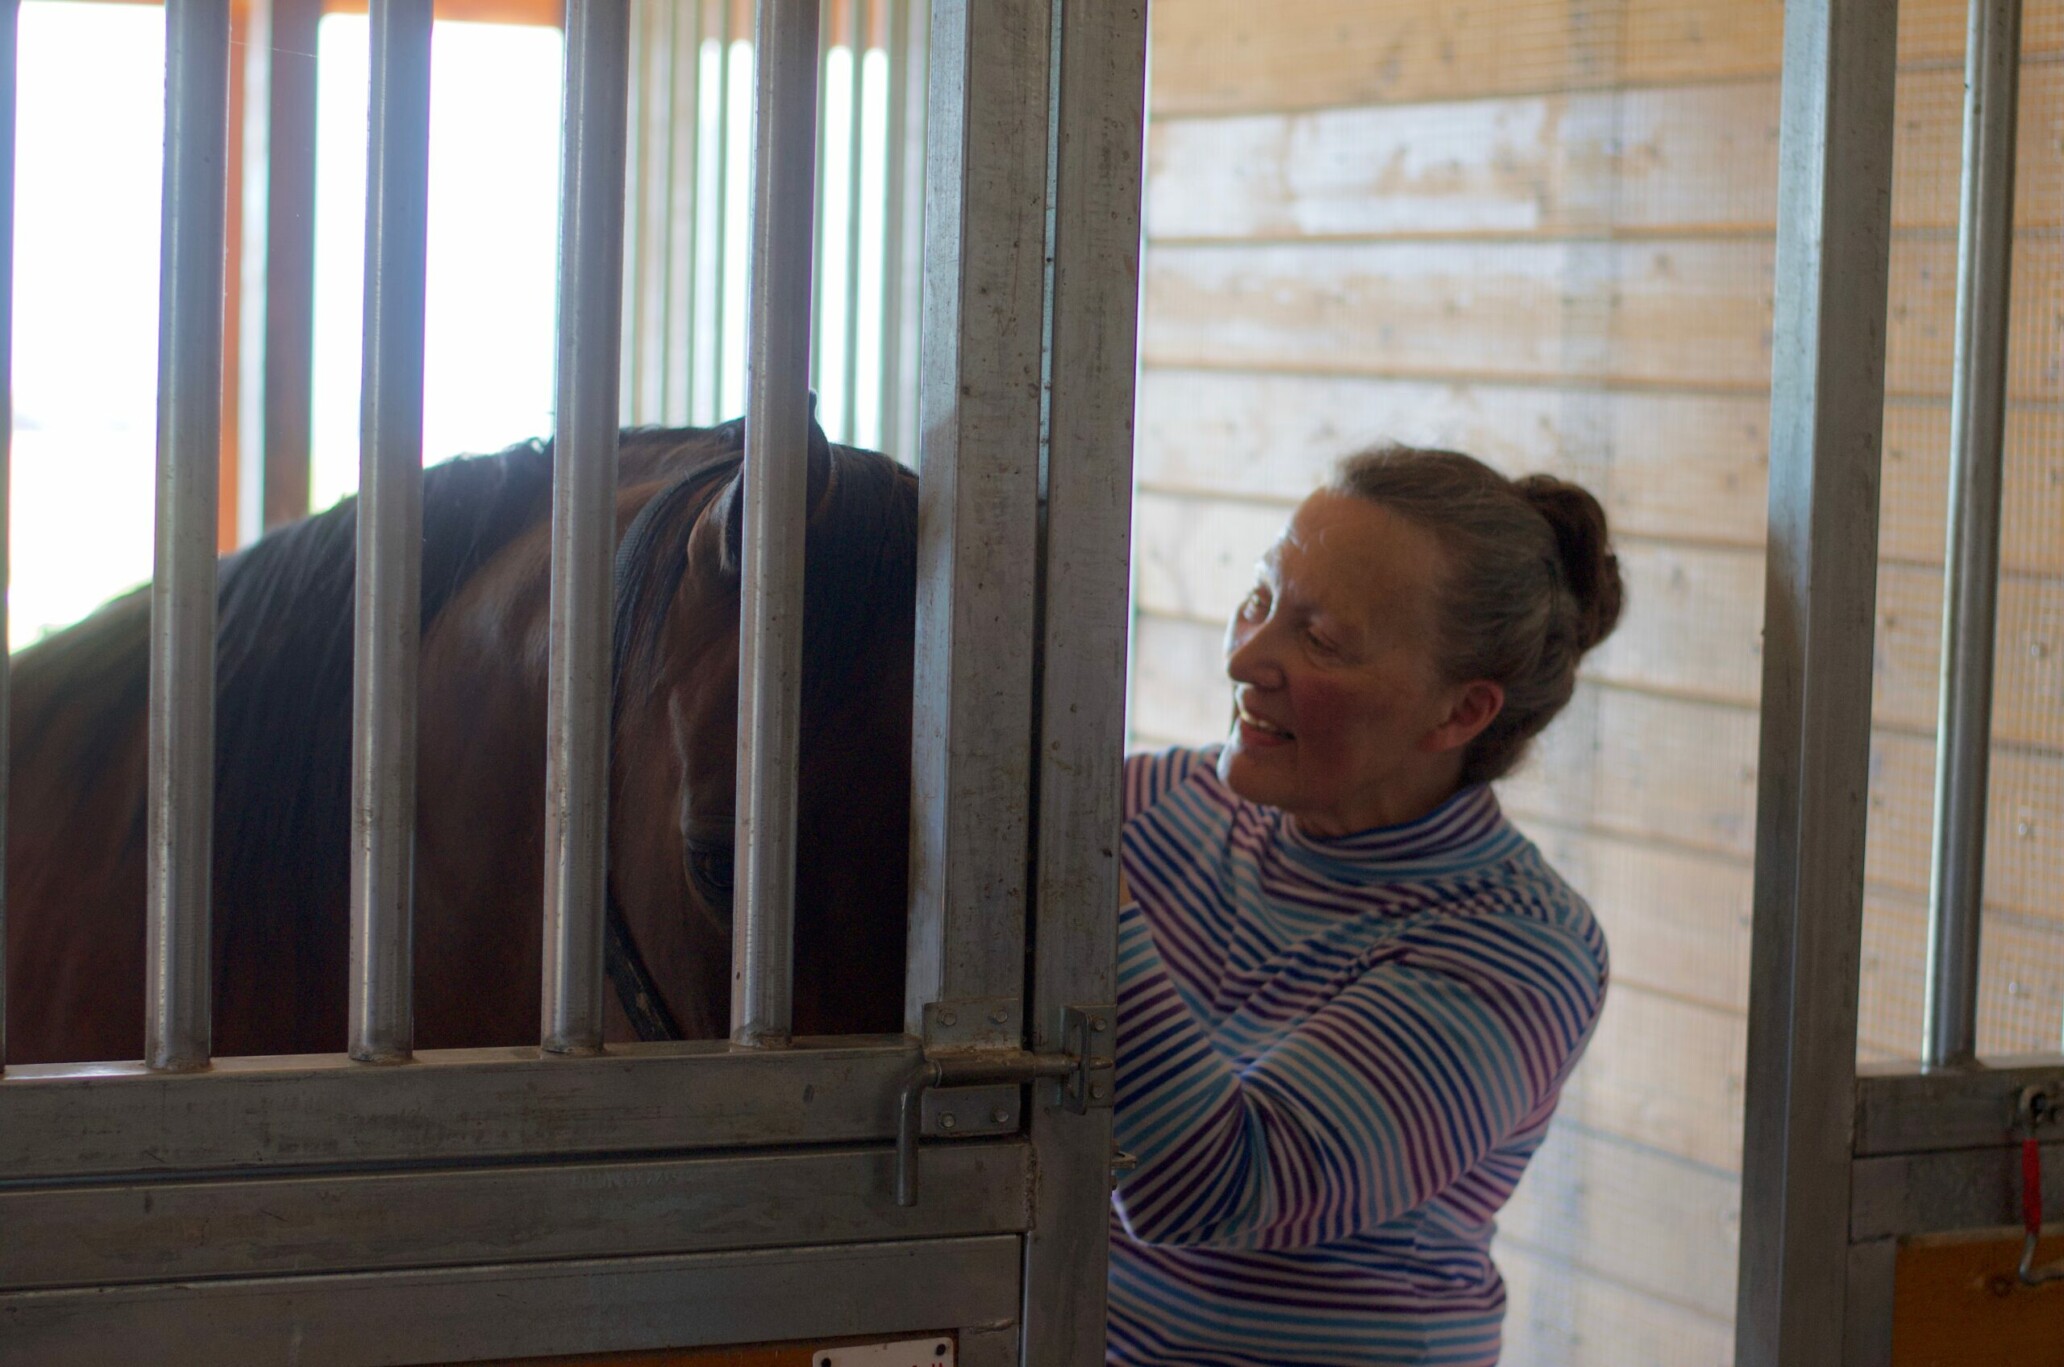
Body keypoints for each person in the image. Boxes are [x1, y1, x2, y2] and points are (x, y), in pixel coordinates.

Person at [1109, 444, 1625, 1367]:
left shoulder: (1520, 946)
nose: (1242, 655)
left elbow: (1211, 1187)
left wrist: (1078, 905)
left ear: (1459, 713)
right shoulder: (1164, 806)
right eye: (1261, 600)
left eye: (1320, 639)